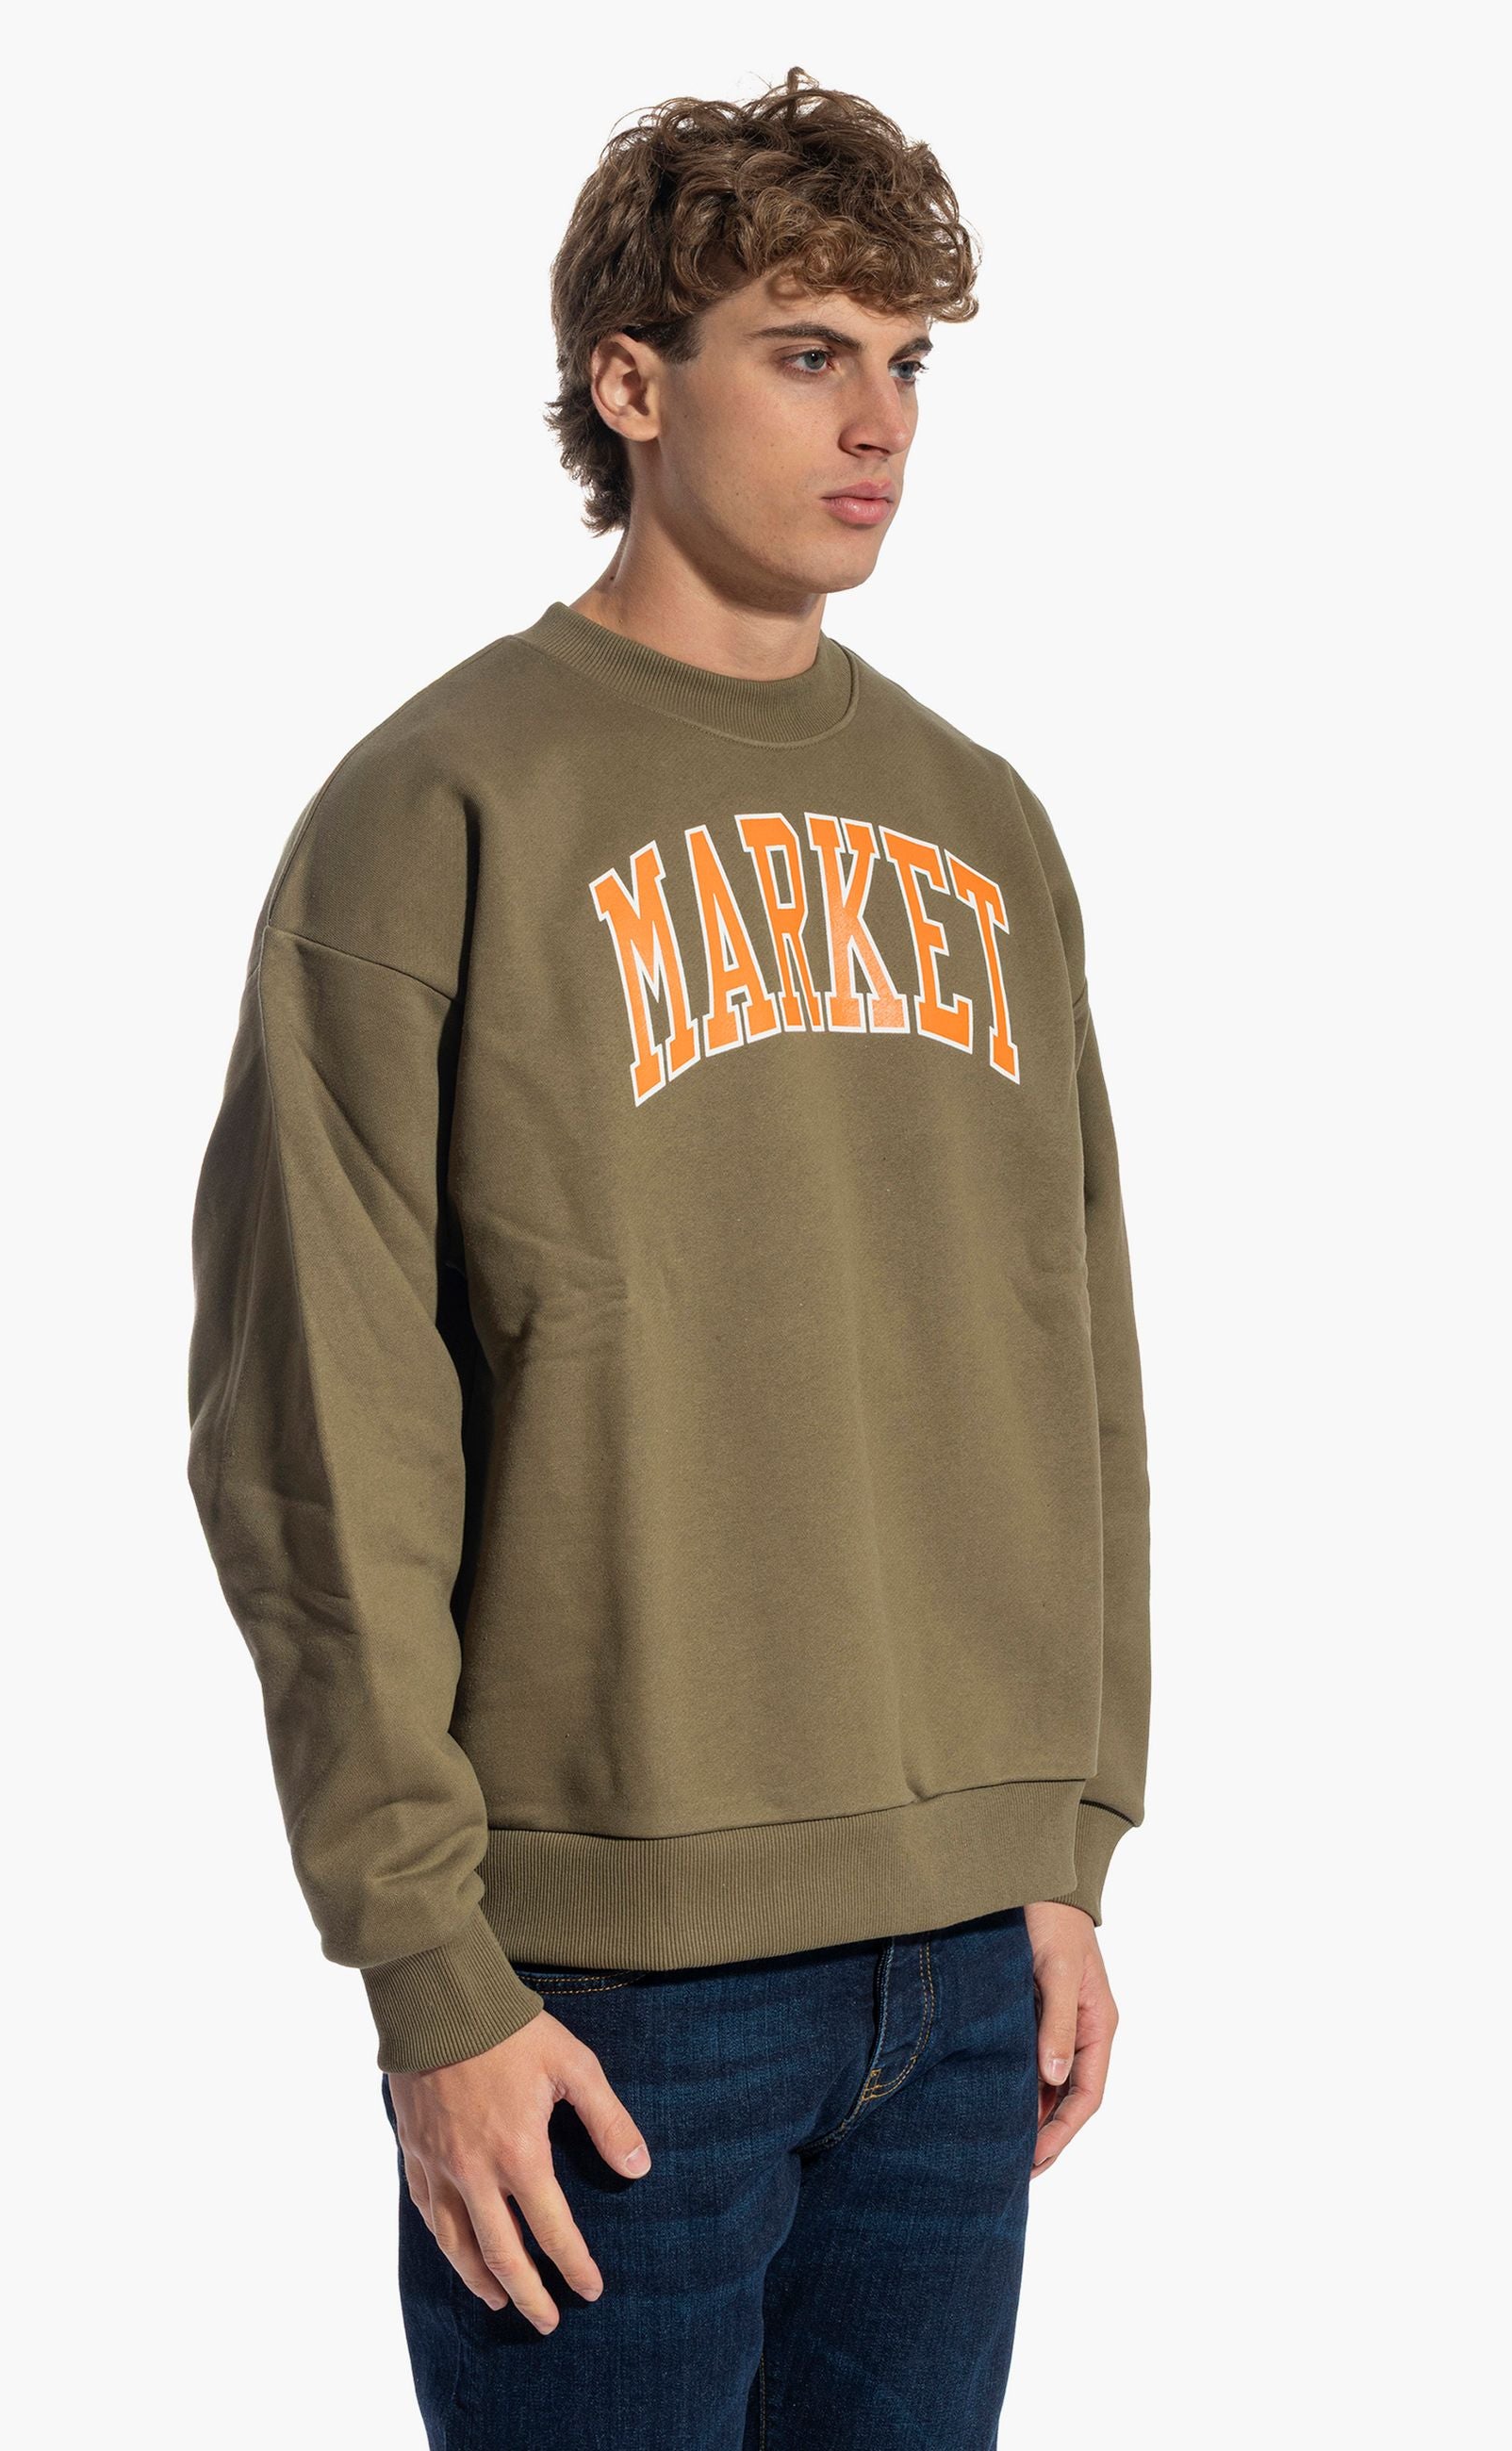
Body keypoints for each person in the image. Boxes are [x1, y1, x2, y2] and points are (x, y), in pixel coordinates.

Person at [187, 63, 1150, 2451]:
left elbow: (1071, 1354)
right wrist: (430, 1968)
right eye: (807, 353)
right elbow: (314, 1423)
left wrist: (1057, 1835)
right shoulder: (443, 807)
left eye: (906, 361)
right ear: (631, 381)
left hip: (964, 1960)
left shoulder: (982, 821)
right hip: (604, 1991)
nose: (880, 423)